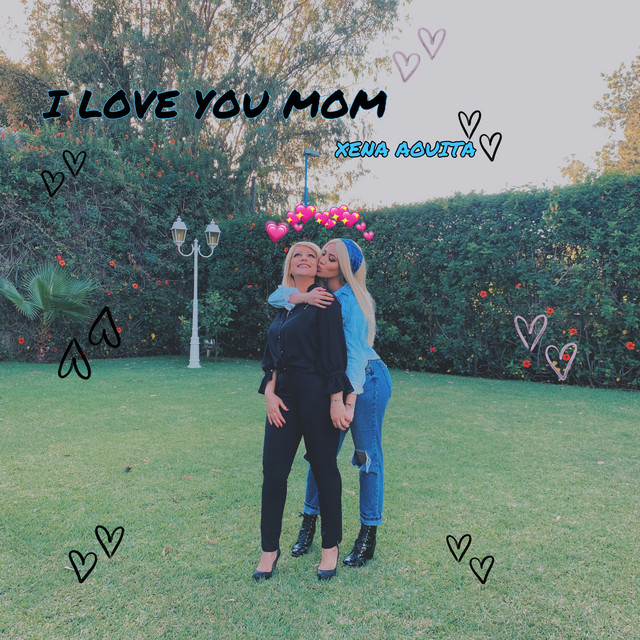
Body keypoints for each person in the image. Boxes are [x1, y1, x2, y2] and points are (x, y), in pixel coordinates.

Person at [268, 238, 392, 568]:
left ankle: (368, 534)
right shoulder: (317, 294)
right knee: (320, 455)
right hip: (332, 383)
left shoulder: (351, 300)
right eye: (322, 253)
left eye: (330, 258)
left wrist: (347, 403)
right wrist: (304, 296)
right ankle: (309, 524)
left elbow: (354, 358)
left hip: (365, 380)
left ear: (344, 268)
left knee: (366, 456)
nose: (321, 259)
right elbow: (276, 296)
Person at [254, 242, 353, 581]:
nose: (306, 259)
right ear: (290, 264)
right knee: (273, 471)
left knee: (324, 469)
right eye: (297, 254)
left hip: (317, 394)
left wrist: (337, 399)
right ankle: (269, 550)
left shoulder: (325, 301)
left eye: (312, 254)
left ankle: (330, 547)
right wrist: (269, 392)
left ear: (318, 265)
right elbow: (272, 357)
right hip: (282, 398)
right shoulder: (285, 305)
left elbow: (335, 354)